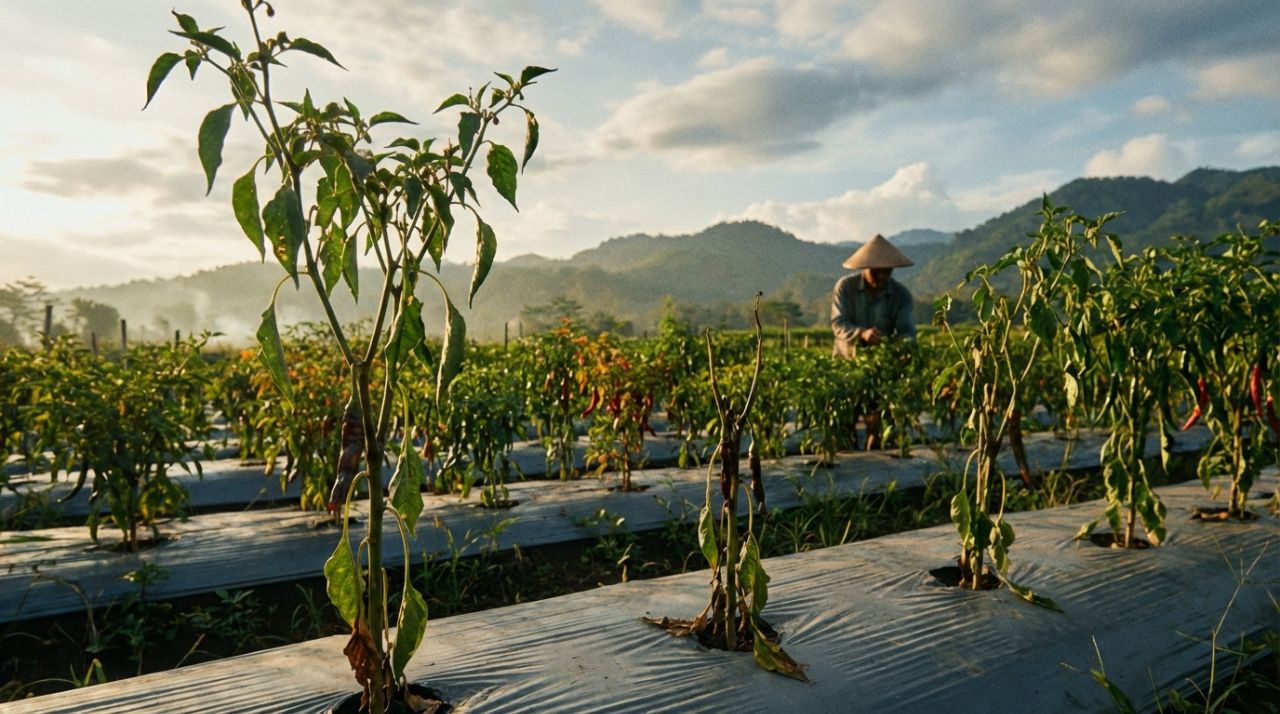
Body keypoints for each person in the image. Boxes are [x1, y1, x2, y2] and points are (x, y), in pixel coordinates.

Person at [831, 233, 916, 449]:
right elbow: (838, 323)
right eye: (877, 272)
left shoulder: (901, 295)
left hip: (880, 368)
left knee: (876, 420)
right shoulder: (845, 288)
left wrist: (902, 349)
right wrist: (861, 334)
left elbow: (907, 332)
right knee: (845, 420)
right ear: (865, 268)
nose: (882, 276)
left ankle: (873, 451)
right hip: (847, 363)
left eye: (887, 272)